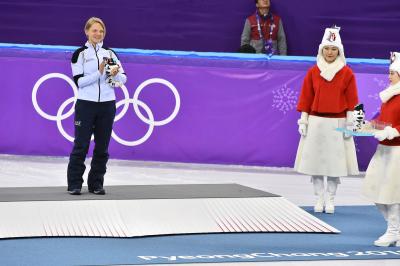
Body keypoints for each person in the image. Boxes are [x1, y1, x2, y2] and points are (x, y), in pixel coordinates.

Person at [294, 26, 359, 214]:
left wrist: (351, 124)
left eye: (333, 49)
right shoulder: (313, 72)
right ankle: (319, 197)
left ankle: (330, 198)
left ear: (339, 51)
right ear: (321, 50)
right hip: (316, 122)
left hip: (338, 124)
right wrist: (303, 120)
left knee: (334, 165)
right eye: (327, 48)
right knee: (315, 163)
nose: (330, 52)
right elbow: (306, 98)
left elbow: (353, 101)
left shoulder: (347, 73)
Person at [67, 17, 127, 195]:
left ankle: (96, 184)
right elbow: (80, 82)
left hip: (107, 105)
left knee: (102, 147)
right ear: (87, 32)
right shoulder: (80, 54)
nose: (98, 34)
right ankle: (74, 184)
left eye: (101, 31)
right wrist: (99, 72)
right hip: (86, 105)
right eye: (94, 30)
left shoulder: (110, 53)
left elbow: (123, 79)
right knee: (81, 145)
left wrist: (114, 74)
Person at [362, 52, 400, 247]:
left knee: (392, 193)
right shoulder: (389, 95)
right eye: (390, 72)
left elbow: (394, 127)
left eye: (393, 72)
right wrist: (368, 125)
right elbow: (383, 121)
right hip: (384, 150)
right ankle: (396, 229)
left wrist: (392, 132)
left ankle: (393, 231)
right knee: (375, 188)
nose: (389, 76)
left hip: (397, 152)